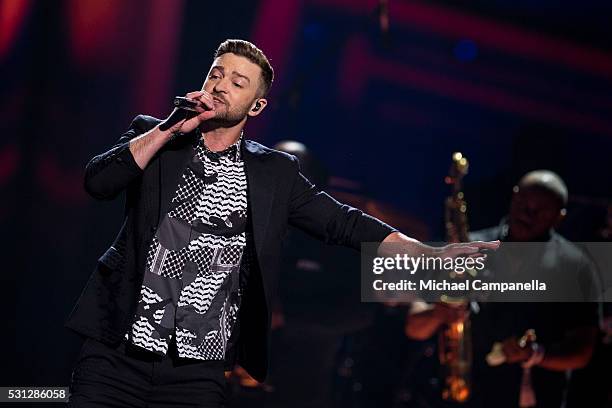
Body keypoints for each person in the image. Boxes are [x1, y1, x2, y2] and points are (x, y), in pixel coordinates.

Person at [65, 39, 497, 407]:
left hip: (197, 368)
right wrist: (170, 127)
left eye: (238, 82)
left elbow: (344, 223)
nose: (220, 86)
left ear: (257, 105)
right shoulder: (156, 137)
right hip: (116, 349)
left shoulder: (273, 173)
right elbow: (99, 182)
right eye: (216, 74)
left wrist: (427, 254)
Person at [404, 170, 599, 408]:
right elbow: (414, 327)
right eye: (523, 202)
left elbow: (583, 351)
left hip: (531, 396)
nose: (529, 213)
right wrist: (438, 313)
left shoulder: (575, 266)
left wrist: (536, 354)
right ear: (513, 197)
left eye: (541, 209)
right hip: (461, 392)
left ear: (559, 217)